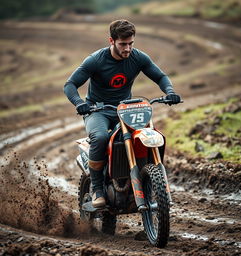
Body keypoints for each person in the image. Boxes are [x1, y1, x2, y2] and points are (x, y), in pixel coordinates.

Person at [64, 19, 181, 208]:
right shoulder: (96, 60)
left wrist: (170, 92)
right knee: (100, 137)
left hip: (126, 109)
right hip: (98, 110)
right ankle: (98, 189)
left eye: (131, 43)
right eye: (123, 44)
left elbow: (160, 76)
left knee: (150, 135)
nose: (127, 49)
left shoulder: (138, 57)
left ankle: (148, 180)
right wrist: (79, 103)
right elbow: (70, 85)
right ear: (112, 41)